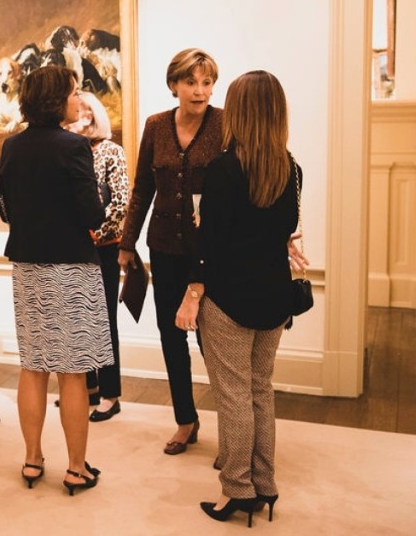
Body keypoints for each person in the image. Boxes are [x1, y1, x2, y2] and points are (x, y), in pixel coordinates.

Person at [175, 70, 302, 525]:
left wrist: (192, 293)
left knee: (233, 396)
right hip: (274, 296)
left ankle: (237, 490)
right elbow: (284, 231)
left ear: (240, 113)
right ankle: (265, 485)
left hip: (229, 298)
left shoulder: (226, 169)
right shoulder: (290, 168)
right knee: (260, 393)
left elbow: (211, 246)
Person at [0, 65, 112, 495]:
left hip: (27, 267)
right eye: (73, 92)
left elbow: (6, 209)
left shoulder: (11, 147)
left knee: (33, 366)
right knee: (73, 373)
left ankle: (32, 461)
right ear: (55, 100)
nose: (78, 99)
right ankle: (76, 468)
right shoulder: (74, 146)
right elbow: (93, 214)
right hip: (71, 269)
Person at [118, 48, 222, 454]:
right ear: (174, 85)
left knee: (212, 340)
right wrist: (128, 243)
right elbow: (142, 187)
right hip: (163, 248)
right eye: (191, 82)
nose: (200, 91)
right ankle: (185, 420)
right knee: (170, 335)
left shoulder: (225, 123)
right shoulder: (157, 125)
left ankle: (233, 429)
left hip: (210, 252)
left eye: (207, 82)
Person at [67, 92, 129, 422]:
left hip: (102, 249)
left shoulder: (110, 151)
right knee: (78, 321)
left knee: (104, 322)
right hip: (72, 250)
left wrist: (94, 233)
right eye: (79, 109)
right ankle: (85, 391)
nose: (84, 114)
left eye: (89, 108)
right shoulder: (66, 150)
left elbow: (120, 203)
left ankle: (110, 393)